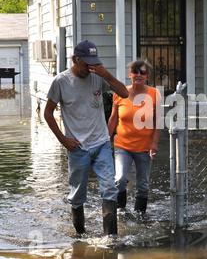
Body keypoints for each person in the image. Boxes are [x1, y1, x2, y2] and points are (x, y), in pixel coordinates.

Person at [44, 40, 129, 236]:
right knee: (77, 196)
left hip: (101, 143)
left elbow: (124, 93)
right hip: (77, 147)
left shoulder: (97, 77)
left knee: (110, 189)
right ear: (75, 59)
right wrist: (63, 140)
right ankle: (81, 237)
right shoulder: (61, 82)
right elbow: (48, 114)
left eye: (93, 62)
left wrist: (105, 73)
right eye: (86, 63)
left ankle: (111, 239)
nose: (89, 67)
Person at [108, 60, 161, 214]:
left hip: (144, 147)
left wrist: (154, 144)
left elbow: (158, 122)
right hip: (122, 146)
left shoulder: (154, 94)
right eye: (135, 72)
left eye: (142, 72)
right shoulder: (120, 93)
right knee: (120, 179)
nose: (138, 75)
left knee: (143, 185)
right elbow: (113, 119)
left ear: (147, 76)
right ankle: (120, 211)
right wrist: (105, 140)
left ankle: (140, 216)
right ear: (129, 74)